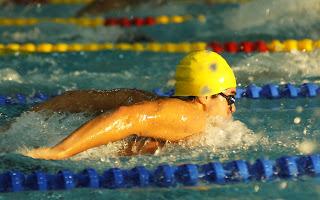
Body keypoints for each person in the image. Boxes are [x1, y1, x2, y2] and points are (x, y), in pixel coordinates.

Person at [25, 50, 237, 160]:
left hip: (35, 133)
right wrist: (59, 152)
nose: (233, 108)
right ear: (205, 97)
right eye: (230, 98)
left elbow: (75, 99)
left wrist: (22, 122)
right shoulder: (193, 117)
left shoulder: (149, 100)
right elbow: (129, 117)